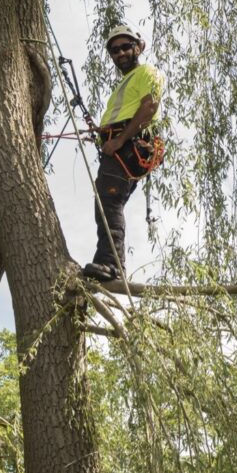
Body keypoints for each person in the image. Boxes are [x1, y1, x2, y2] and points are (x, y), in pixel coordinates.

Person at [82, 24, 165, 282]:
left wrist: (118, 140)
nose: (120, 53)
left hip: (128, 145)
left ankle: (111, 264)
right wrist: (103, 132)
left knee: (109, 199)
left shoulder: (147, 73)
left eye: (126, 47)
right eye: (115, 50)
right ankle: (108, 261)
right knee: (106, 201)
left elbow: (148, 107)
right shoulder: (124, 84)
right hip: (118, 145)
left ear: (137, 47)